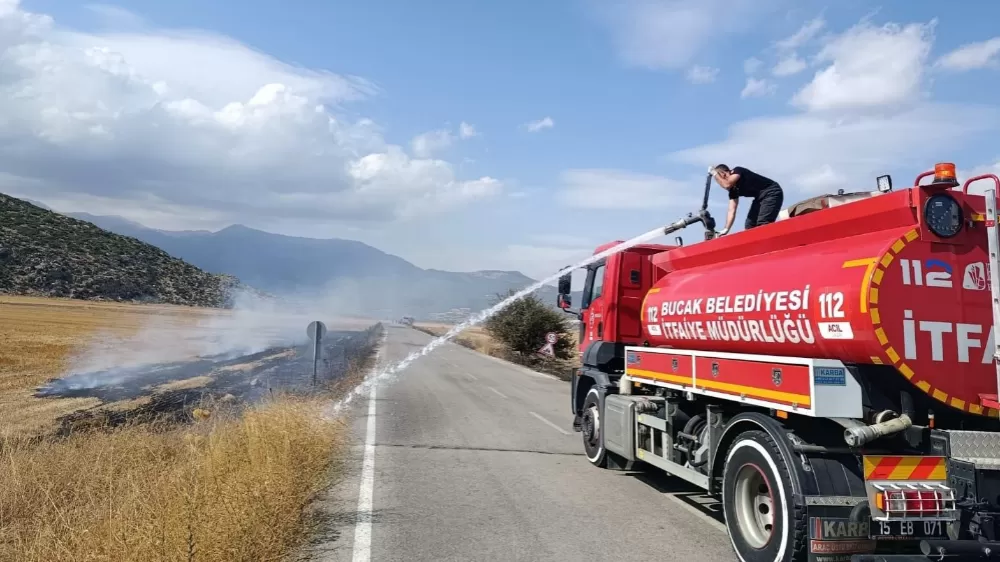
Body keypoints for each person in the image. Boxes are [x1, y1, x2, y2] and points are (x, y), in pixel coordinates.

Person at [712, 164, 784, 235]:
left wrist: (715, 173)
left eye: (721, 178)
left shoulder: (737, 170)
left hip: (771, 192)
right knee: (750, 226)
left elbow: (727, 184)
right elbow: (731, 210)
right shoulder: (733, 190)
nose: (722, 182)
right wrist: (726, 229)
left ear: (724, 173)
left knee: (763, 223)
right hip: (759, 197)